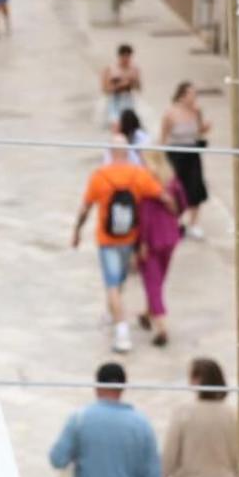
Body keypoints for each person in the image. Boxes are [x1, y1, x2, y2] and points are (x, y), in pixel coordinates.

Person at [73, 137, 169, 353]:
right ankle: (113, 313)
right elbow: (163, 197)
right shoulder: (138, 175)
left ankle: (122, 332)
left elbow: (85, 208)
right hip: (129, 239)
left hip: (107, 241)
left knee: (113, 285)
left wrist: (77, 232)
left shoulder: (99, 176)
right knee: (119, 282)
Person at [136, 150, 188, 346]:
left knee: (153, 283)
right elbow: (183, 205)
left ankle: (161, 327)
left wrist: (140, 243)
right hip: (170, 237)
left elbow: (144, 218)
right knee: (158, 280)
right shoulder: (173, 182)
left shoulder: (147, 185)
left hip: (151, 241)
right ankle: (147, 313)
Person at [160, 81, 211, 237]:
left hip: (192, 152)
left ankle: (193, 223)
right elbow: (163, 136)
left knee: (195, 187)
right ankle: (176, 221)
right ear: (182, 96)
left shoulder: (196, 111)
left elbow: (199, 131)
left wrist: (205, 128)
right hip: (176, 154)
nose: (194, 97)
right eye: (191, 93)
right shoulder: (170, 113)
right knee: (176, 188)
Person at [101, 44, 142, 128]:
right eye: (124, 57)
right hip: (114, 99)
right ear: (120, 56)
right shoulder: (110, 69)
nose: (126, 59)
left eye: (129, 57)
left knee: (130, 124)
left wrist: (133, 82)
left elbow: (139, 88)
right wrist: (120, 85)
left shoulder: (134, 69)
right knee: (115, 123)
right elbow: (105, 89)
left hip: (128, 99)